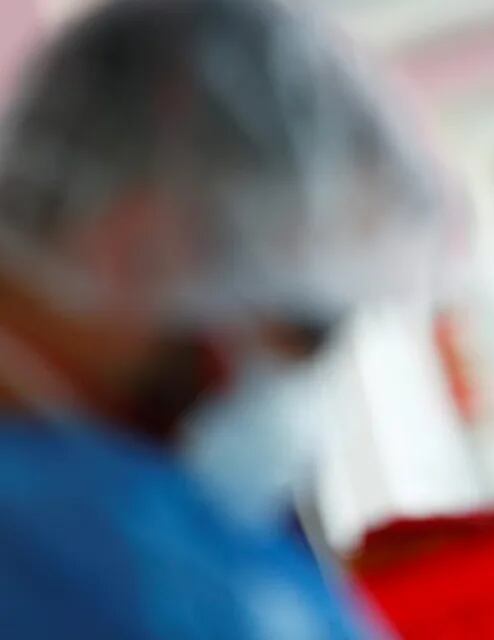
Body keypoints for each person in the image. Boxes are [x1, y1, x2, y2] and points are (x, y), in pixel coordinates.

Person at [0, 0, 441, 637]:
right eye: (304, 326)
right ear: (137, 245)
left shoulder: (135, 513)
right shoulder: (82, 558)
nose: (290, 378)